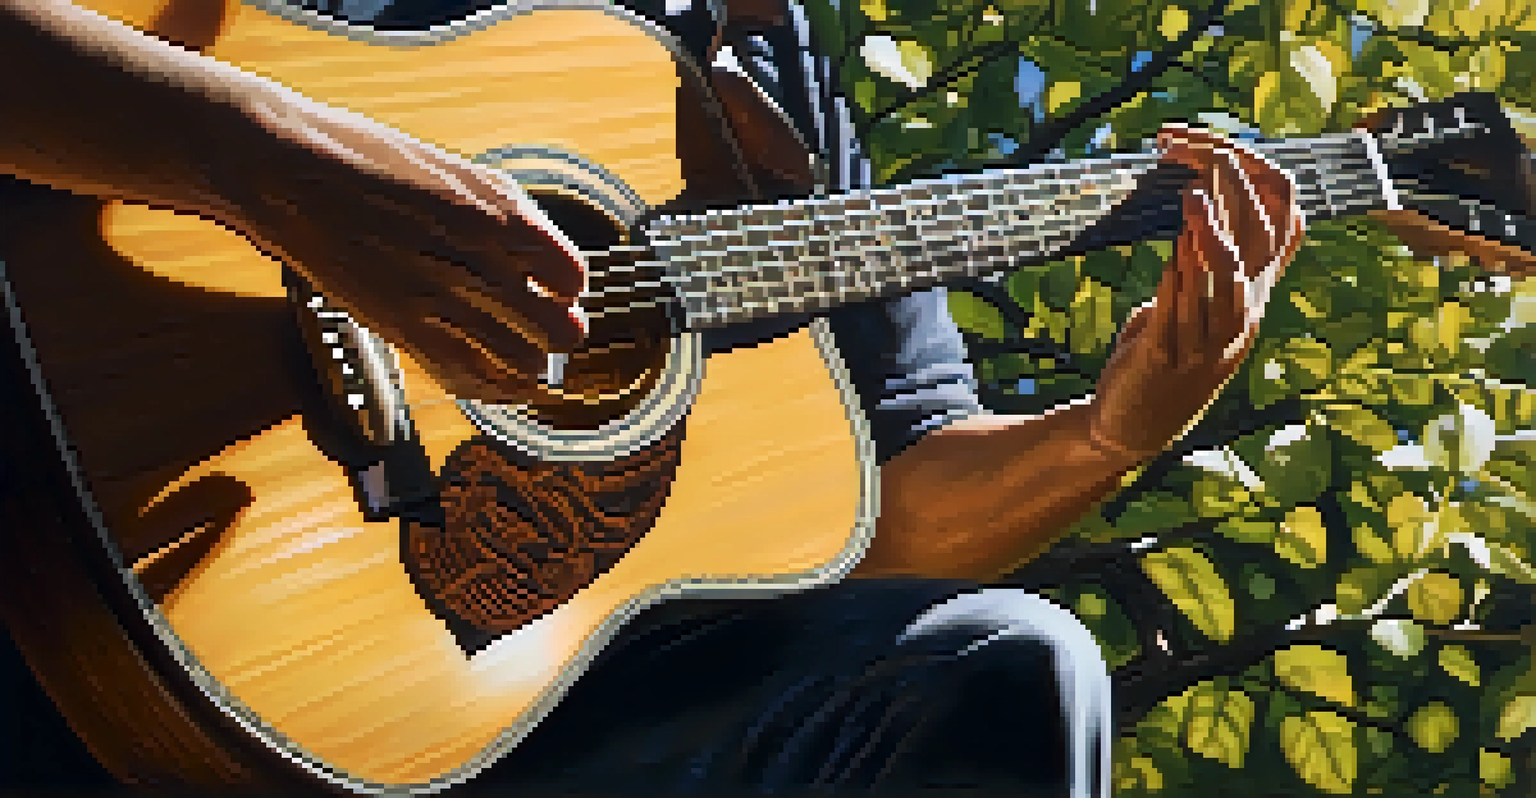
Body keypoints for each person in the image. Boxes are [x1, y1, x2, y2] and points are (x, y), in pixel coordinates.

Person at [0, 0, 1307, 794]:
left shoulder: (759, 49)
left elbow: (890, 515)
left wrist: (1111, 430)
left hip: (512, 718)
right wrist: (258, 159)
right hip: (68, 568)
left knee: (1010, 667)